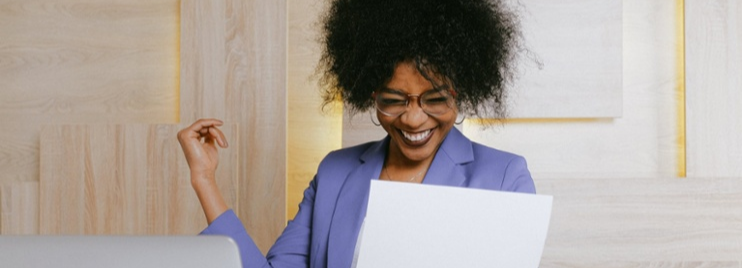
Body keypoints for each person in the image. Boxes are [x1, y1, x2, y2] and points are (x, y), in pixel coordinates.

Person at [177, 0, 535, 267]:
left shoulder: (504, 178)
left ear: (462, 90)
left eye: (435, 98)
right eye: (394, 100)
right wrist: (205, 181)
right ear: (371, 92)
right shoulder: (336, 172)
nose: (412, 119)